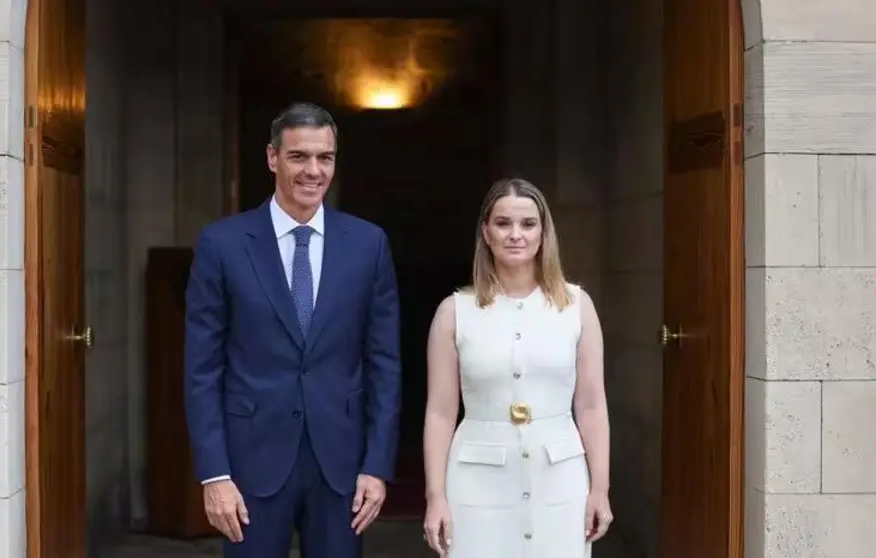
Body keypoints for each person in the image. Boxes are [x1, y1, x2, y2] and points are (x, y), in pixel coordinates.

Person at [183, 102, 402, 558]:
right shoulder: (222, 244)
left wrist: (377, 466)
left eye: (325, 157)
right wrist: (214, 474)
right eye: (299, 156)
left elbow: (384, 364)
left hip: (341, 468)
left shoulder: (368, 244)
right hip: (249, 466)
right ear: (272, 158)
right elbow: (201, 369)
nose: (314, 171)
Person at [421, 178, 613, 557]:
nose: (515, 235)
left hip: (560, 478)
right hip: (477, 481)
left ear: (544, 234)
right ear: (486, 233)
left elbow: (591, 405)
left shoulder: (576, 306)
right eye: (503, 223)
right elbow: (440, 413)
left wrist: (600, 490)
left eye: (528, 224)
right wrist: (435, 496)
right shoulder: (453, 312)